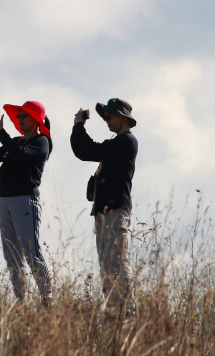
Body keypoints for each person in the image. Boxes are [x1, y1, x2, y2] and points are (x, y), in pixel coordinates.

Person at [71, 98, 138, 315]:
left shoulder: (126, 141)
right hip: (102, 214)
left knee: (117, 265)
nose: (106, 121)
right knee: (107, 270)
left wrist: (80, 126)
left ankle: (127, 313)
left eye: (110, 117)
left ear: (123, 117)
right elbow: (83, 152)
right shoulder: (115, 145)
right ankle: (114, 314)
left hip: (116, 212)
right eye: (105, 117)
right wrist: (76, 128)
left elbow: (91, 148)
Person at [0, 100, 52, 303]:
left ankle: (48, 300)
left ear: (36, 119)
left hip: (24, 200)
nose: (20, 119)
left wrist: (1, 133)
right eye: (19, 115)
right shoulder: (16, 141)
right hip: (4, 201)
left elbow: (19, 155)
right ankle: (21, 302)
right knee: (12, 256)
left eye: (25, 115)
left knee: (32, 253)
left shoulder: (41, 141)